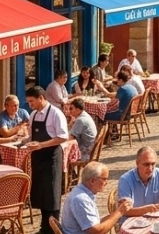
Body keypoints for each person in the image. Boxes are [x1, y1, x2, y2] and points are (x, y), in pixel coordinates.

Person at [25, 84, 69, 234]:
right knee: (41, 192)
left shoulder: (56, 114)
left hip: (51, 156)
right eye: (29, 102)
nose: (30, 105)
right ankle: (44, 227)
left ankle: (53, 229)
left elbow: (63, 137)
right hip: (38, 157)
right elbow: (32, 136)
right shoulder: (33, 115)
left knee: (52, 192)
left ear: (41, 98)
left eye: (32, 101)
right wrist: (26, 142)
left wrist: (41, 145)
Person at [60, 162, 132, 234]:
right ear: (93, 181)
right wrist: (120, 212)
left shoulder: (82, 193)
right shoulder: (81, 199)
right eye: (104, 179)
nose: (107, 182)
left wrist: (118, 210)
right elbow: (97, 231)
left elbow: (97, 223)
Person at [115, 147, 159, 221]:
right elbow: (124, 211)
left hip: (153, 220)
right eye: (146, 164)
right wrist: (146, 210)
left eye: (153, 164)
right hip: (131, 222)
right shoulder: (125, 180)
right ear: (137, 163)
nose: (150, 168)